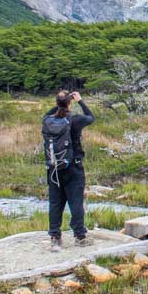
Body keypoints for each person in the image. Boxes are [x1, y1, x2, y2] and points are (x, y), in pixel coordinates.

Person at [42, 89, 95, 251]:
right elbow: (91, 117)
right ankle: (79, 236)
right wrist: (80, 101)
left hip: (54, 168)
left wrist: (60, 103)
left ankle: (55, 236)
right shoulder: (74, 120)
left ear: (57, 103)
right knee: (76, 201)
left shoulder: (48, 120)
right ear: (70, 102)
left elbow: (47, 114)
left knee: (55, 203)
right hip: (74, 167)